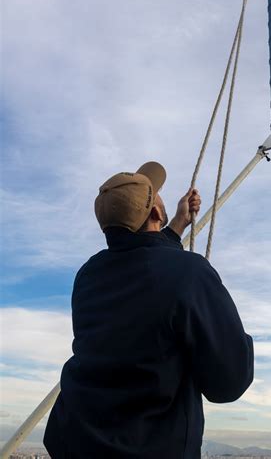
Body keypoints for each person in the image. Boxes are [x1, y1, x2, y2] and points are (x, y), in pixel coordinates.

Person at [44, 161, 254, 459]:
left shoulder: (89, 274)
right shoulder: (190, 273)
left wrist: (177, 225)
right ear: (156, 212)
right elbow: (229, 383)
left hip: (75, 442)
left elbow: (143, 261)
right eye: (156, 194)